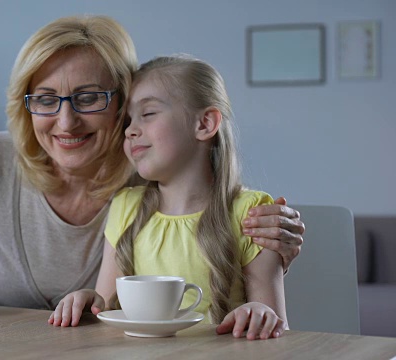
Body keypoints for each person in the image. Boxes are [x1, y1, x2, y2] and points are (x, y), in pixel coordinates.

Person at [0, 15, 305, 310]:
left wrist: (272, 236)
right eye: (45, 99)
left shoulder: (155, 175)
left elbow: (217, 228)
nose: (66, 121)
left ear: (122, 101)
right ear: (26, 105)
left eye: (89, 97)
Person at [49, 54, 287, 340]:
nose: (130, 131)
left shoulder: (252, 212)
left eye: (148, 114)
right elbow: (107, 308)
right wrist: (89, 302)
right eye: (128, 120)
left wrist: (259, 315)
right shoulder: (126, 206)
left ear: (204, 124)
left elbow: (277, 325)